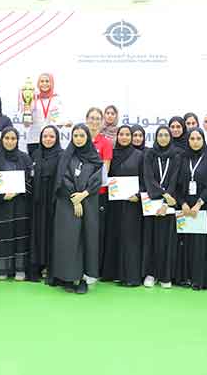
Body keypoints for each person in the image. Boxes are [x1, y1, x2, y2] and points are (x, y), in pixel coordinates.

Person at [51, 124, 103, 294]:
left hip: (88, 202)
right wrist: (75, 198)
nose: (79, 139)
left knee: (86, 239)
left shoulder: (94, 158)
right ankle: (66, 277)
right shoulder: (66, 157)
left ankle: (82, 278)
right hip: (67, 203)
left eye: (82, 135)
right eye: (76, 136)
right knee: (69, 241)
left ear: (87, 137)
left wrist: (84, 195)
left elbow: (97, 179)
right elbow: (62, 179)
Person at [176, 127, 207, 290]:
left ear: (203, 140)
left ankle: (199, 279)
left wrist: (198, 204)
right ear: (188, 141)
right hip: (185, 207)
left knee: (201, 245)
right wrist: (183, 204)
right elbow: (177, 185)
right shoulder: (182, 158)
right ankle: (185, 277)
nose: (195, 142)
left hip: (203, 207)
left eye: (198, 139)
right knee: (185, 242)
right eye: (192, 139)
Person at [0, 127, 33, 281]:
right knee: (2, 235)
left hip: (20, 205)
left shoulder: (24, 157)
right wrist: (1, 196)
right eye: (7, 138)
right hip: (1, 205)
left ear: (17, 140)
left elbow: (30, 180)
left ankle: (20, 269)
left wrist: (19, 190)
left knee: (20, 236)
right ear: (2, 139)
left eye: (13, 139)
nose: (10, 141)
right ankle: (2, 269)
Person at [142, 125, 181, 289]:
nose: (163, 138)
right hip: (153, 204)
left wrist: (167, 202)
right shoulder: (149, 154)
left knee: (168, 240)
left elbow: (175, 179)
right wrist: (163, 195)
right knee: (151, 239)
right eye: (160, 135)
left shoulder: (176, 155)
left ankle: (165, 275)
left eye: (166, 135)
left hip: (168, 206)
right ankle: (151, 273)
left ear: (170, 137)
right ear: (156, 137)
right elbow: (148, 177)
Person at [105, 125, 144, 286]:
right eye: (121, 134)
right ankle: (114, 273)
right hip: (114, 203)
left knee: (130, 238)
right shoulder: (112, 155)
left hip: (132, 203)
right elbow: (106, 175)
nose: (125, 137)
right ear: (117, 136)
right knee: (115, 235)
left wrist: (139, 195)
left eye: (128, 134)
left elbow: (146, 178)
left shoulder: (140, 155)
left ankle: (131, 276)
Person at [30, 125, 64, 283]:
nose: (48, 139)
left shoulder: (62, 155)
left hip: (53, 200)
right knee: (38, 232)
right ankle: (38, 265)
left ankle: (51, 267)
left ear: (56, 138)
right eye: (45, 136)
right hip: (37, 201)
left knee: (52, 232)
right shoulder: (36, 154)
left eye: (51, 136)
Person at [86, 107, 113, 282]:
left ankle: (94, 271)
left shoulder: (106, 143)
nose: (95, 121)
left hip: (99, 193)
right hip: (81, 195)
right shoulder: (80, 138)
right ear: (86, 119)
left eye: (98, 118)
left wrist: (89, 188)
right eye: (92, 118)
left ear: (102, 122)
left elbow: (105, 172)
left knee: (97, 232)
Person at [24, 73, 71, 155]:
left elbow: (59, 121)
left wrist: (65, 123)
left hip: (51, 140)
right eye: (42, 81)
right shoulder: (33, 99)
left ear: (51, 83)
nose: (44, 84)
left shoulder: (56, 99)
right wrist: (27, 112)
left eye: (47, 81)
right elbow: (26, 124)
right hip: (35, 140)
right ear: (38, 83)